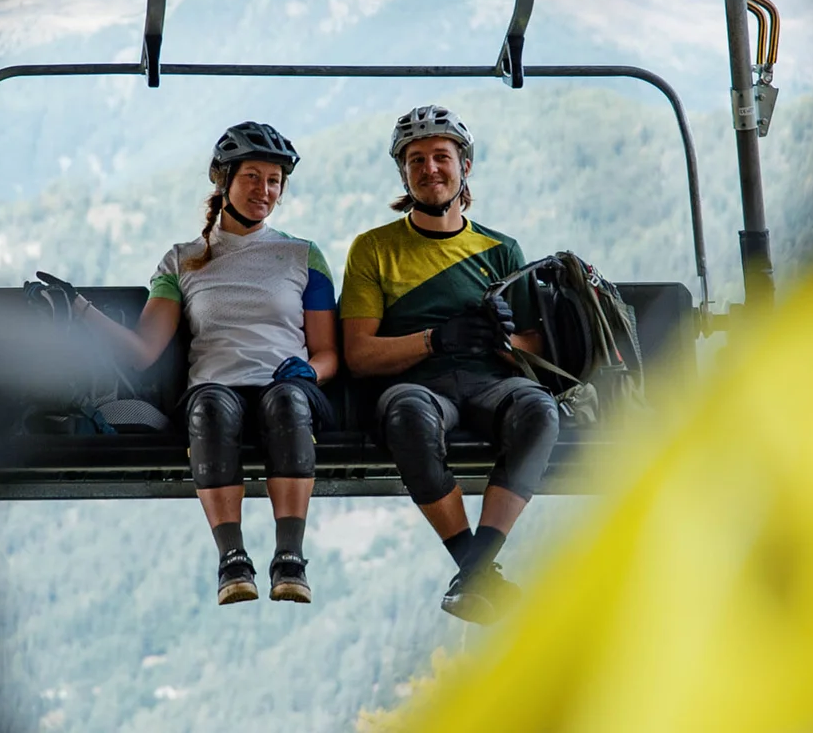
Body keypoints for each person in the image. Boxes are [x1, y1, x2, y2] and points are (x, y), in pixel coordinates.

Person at [73, 121, 339, 606]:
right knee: (210, 410)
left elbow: (327, 353)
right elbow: (143, 350)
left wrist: (310, 372)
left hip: (288, 385)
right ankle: (232, 559)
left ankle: (290, 559)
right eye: (253, 177)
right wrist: (80, 311)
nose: (265, 190)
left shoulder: (303, 256)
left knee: (286, 404)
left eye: (275, 180)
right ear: (224, 181)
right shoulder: (183, 260)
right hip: (215, 387)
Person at [339, 104, 560, 625]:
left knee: (539, 411)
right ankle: (477, 567)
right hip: (416, 386)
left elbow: (535, 350)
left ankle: (473, 568)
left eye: (442, 157)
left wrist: (505, 339)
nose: (430, 169)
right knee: (408, 416)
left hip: (491, 383)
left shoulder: (502, 250)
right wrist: (435, 340)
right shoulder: (374, 250)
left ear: (464, 168)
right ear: (404, 173)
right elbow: (360, 355)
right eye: (416, 160)